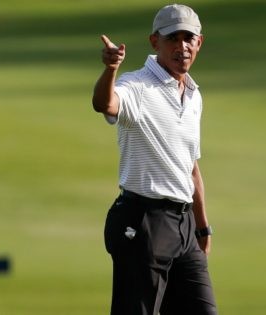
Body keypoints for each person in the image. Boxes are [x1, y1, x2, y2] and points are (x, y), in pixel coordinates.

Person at [92, 4, 217, 315]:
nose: (182, 46)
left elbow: (191, 168)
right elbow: (105, 104)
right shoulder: (136, 86)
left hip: (184, 226)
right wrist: (110, 70)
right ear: (154, 42)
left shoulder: (193, 95)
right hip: (143, 222)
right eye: (172, 38)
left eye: (189, 38)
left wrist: (202, 228)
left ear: (199, 43)